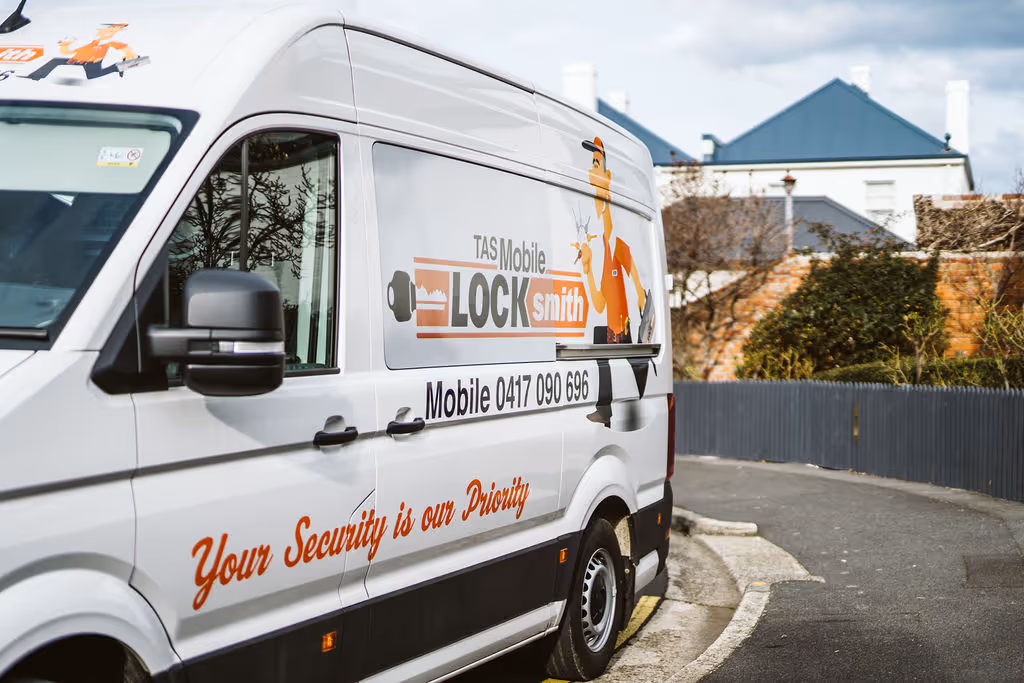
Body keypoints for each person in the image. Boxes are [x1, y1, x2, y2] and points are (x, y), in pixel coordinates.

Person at [577, 137, 648, 426]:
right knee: (603, 351)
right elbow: (597, 300)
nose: (592, 171)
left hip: (618, 309)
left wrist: (642, 295)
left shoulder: (610, 221)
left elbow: (625, 254)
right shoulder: (593, 222)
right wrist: (588, 267)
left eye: (597, 164)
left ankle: (641, 394)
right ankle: (606, 408)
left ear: (606, 174)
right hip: (608, 303)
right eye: (591, 166)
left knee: (625, 350)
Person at [23, 24, 138, 81]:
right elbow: (69, 51)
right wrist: (64, 45)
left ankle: (117, 67)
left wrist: (132, 56)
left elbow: (125, 47)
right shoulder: (93, 42)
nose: (101, 34)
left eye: (106, 32)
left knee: (91, 75)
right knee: (56, 61)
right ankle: (36, 76)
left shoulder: (108, 43)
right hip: (82, 60)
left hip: (92, 62)